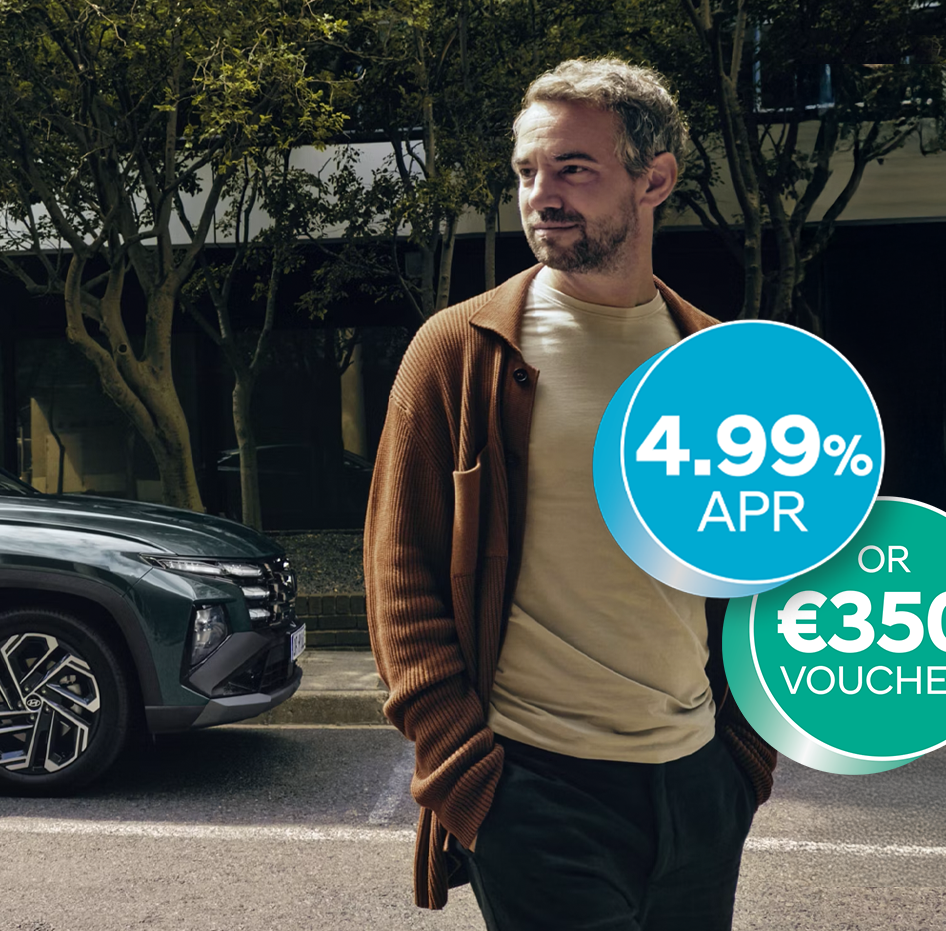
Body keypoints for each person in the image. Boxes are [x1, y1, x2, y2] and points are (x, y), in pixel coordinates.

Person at [363, 57, 780, 930]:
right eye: (526, 172)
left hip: (697, 781)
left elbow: (766, 566)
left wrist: (743, 757)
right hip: (533, 785)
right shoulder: (460, 351)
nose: (540, 194)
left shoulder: (716, 363)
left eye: (572, 169)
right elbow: (398, 572)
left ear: (653, 179)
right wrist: (467, 775)